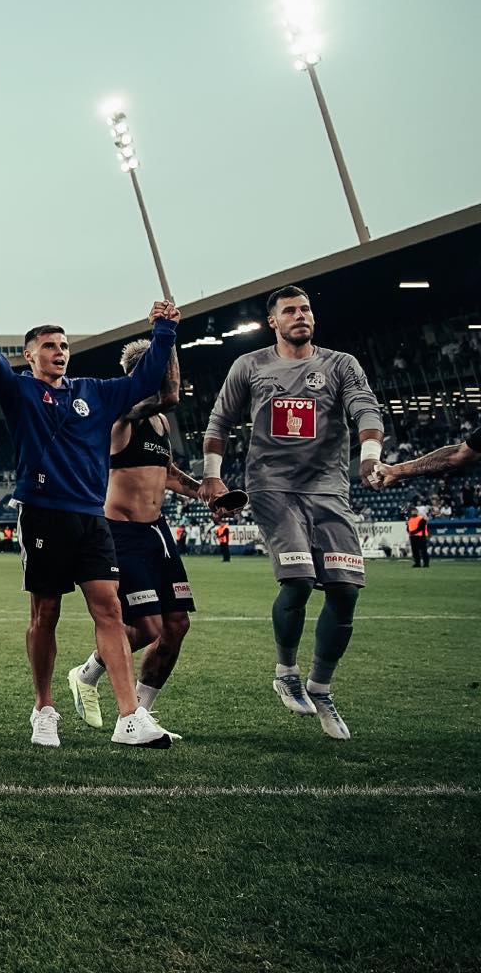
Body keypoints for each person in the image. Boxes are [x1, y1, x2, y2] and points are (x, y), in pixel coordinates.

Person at [0, 281, 178, 749]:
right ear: (31, 356)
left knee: (111, 609)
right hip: (43, 516)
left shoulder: (94, 392)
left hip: (91, 519)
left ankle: (129, 717)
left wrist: (162, 332)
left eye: (64, 346)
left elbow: (144, 382)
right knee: (46, 613)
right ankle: (44, 707)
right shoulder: (18, 392)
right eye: (49, 347)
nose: (59, 353)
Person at [199, 285, 383, 741]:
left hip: (328, 490)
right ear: (273, 322)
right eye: (290, 311)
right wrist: (213, 476)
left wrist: (370, 457)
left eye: (305, 309)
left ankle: (321, 688)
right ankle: (286, 671)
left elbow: (365, 408)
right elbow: (219, 420)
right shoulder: (251, 366)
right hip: (272, 487)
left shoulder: (341, 364)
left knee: (345, 592)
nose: (300, 316)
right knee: (298, 580)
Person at [66, 341, 207, 735]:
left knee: (176, 625)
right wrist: (170, 337)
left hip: (157, 532)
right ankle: (86, 673)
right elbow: (170, 395)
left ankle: (141, 712)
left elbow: (169, 473)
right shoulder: (124, 415)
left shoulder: (161, 425)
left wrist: (207, 493)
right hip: (121, 531)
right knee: (147, 627)